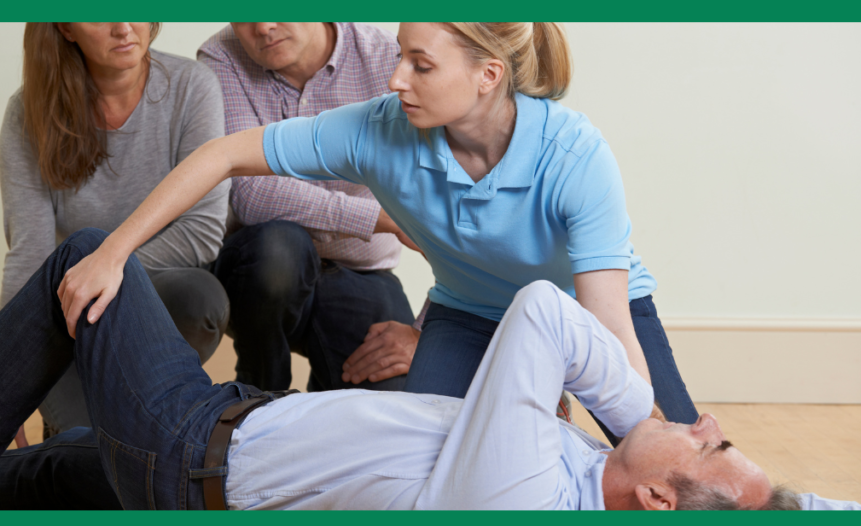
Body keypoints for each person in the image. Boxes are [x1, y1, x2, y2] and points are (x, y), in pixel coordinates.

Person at [0, 229, 809, 510]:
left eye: (703, 444)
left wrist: (634, 412)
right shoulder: (578, 481)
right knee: (45, 474)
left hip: (193, 455)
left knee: (84, 261)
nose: (697, 420)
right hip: (238, 447)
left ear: (657, 502)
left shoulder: (521, 495)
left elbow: (546, 312)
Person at [56, 22, 698, 444]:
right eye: (399, 58)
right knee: (428, 456)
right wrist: (113, 253)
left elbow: (608, 319)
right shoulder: (380, 128)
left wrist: (645, 437)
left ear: (488, 76)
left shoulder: (574, 153)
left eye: (420, 65)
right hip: (469, 314)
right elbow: (222, 155)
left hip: (587, 311)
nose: (396, 80)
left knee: (671, 451)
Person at [0, 22, 231, 441]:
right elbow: (29, 251)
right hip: (69, 308)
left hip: (157, 291)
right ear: (66, 28)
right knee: (87, 456)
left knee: (201, 297)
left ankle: (137, 419)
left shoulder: (192, 86)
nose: (124, 28)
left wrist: (107, 267)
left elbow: (202, 230)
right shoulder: (27, 110)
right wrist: (2, 375)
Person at [197, 23, 422, 393]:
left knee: (394, 391)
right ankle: (258, 396)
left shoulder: (388, 59)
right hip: (260, 271)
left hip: (360, 271)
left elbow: (451, 203)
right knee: (280, 248)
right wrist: (382, 220)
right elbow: (251, 194)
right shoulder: (221, 56)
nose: (263, 26)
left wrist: (421, 331)